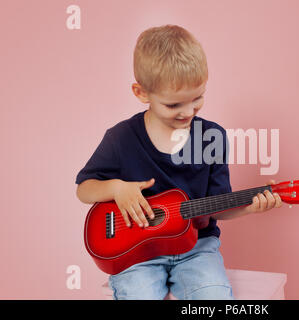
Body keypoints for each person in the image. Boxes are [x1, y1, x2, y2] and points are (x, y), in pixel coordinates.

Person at [75, 24, 283, 300]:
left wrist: (251, 207)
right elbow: (84, 188)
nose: (188, 112)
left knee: (215, 298)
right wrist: (116, 188)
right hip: (137, 255)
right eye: (173, 105)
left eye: (197, 98)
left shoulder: (212, 137)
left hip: (197, 249)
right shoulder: (121, 138)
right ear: (141, 93)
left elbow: (218, 205)